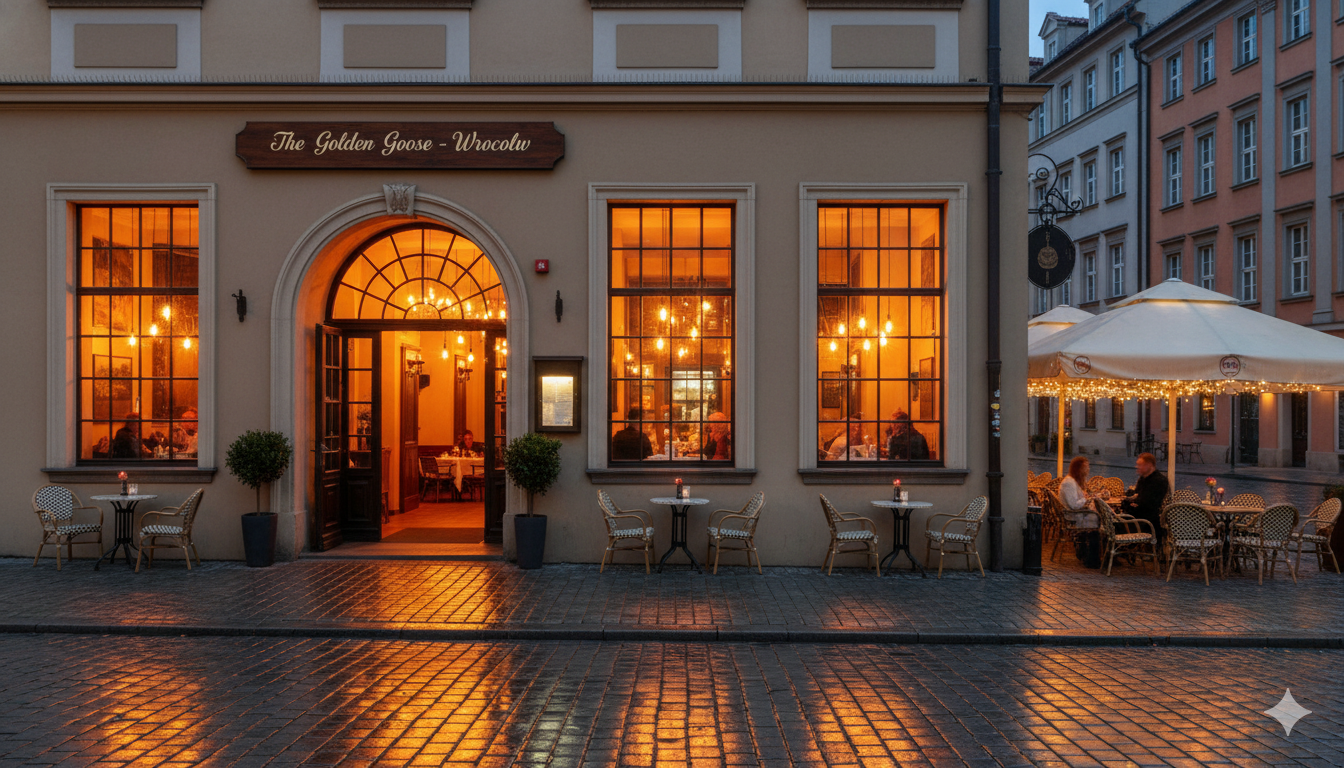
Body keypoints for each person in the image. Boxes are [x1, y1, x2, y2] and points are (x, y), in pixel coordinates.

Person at [1121, 452, 1170, 545]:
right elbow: (1136, 496)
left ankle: (1123, 549)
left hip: (1147, 520)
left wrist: (1134, 501)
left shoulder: (1159, 481)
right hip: (1137, 515)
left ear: (1149, 465)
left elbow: (1146, 502)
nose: (1137, 467)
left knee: (1115, 524)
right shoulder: (1143, 478)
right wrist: (1133, 500)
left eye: (1140, 465)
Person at [1058, 456, 1099, 529]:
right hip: (1073, 515)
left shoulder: (1072, 481)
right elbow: (1074, 505)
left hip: (1076, 513)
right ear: (1078, 469)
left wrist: (1083, 496)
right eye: (1086, 467)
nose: (1088, 469)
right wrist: (1086, 499)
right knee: (1102, 517)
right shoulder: (1069, 483)